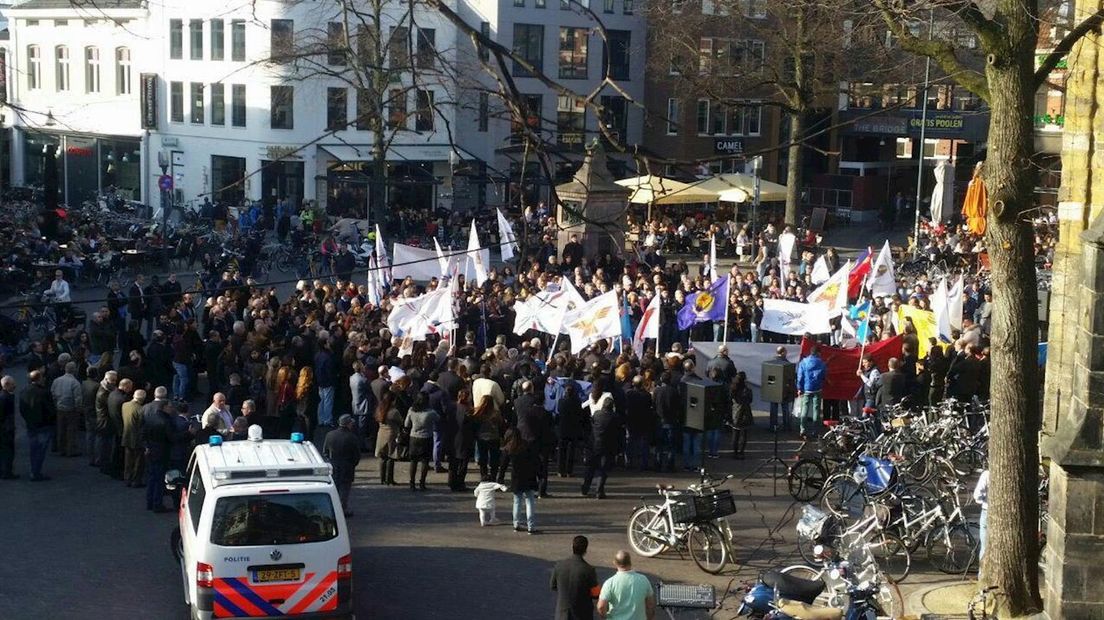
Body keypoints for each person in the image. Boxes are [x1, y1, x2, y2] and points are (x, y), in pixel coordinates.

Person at [582, 381, 620, 499]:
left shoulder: (596, 414)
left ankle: (585, 487)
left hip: (594, 442)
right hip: (607, 444)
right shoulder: (614, 417)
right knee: (602, 469)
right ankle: (599, 490)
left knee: (591, 467)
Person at [551, 535, 599, 620]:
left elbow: (553, 586)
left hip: (562, 615)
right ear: (585, 550)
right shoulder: (589, 569)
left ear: (572, 547)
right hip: (582, 615)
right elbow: (596, 593)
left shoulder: (559, 566)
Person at [20, 370, 57, 481]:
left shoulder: (24, 391)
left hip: (31, 425)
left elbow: (22, 409)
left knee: (33, 449)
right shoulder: (44, 392)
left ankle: (33, 470)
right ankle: (36, 472)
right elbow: (50, 409)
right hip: (43, 425)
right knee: (40, 450)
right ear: (39, 379)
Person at [597, 551, 655, 620]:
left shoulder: (609, 583)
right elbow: (650, 605)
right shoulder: (643, 580)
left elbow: (601, 606)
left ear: (615, 563)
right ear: (630, 562)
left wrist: (605, 617)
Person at [324, 414, 362, 518]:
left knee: (334, 487)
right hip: (347, 466)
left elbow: (325, 452)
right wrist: (352, 464)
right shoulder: (352, 437)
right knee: (345, 489)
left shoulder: (330, 434)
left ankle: (331, 508)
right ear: (348, 424)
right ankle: (342, 509)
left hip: (334, 465)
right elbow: (357, 455)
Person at [404, 392, 439, 490]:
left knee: (413, 461)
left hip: (414, 437)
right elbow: (438, 419)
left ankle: (412, 483)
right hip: (426, 437)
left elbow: (406, 424)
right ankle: (422, 483)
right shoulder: (430, 412)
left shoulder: (411, 410)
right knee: (425, 461)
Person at [50, 360, 83, 457]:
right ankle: (71, 450)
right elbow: (78, 398)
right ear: (74, 370)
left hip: (59, 408)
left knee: (61, 429)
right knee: (71, 430)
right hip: (71, 409)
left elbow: (52, 393)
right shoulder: (75, 383)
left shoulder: (57, 380)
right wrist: (79, 409)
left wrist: (56, 404)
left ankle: (62, 449)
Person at [795, 344, 827, 440]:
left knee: (804, 409)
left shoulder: (804, 362)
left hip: (806, 388)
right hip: (817, 388)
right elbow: (824, 375)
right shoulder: (821, 362)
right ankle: (815, 430)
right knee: (816, 410)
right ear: (818, 353)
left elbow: (800, 376)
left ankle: (802, 429)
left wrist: (799, 388)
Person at [121, 389, 147, 488]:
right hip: (137, 438)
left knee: (128, 460)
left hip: (127, 436)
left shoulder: (125, 405)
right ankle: (136, 481)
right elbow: (142, 425)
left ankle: (127, 478)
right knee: (138, 462)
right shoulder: (141, 409)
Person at [767, 347, 794, 431]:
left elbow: (770, 377)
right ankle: (786, 426)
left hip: (774, 388)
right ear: (783, 353)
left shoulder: (771, 363)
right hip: (784, 389)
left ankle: (773, 426)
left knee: (774, 408)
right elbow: (791, 377)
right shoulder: (787, 363)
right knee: (785, 408)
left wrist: (771, 387)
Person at [730, 372, 754, 459]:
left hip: (736, 413)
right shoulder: (747, 390)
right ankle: (741, 452)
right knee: (744, 435)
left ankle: (734, 452)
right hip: (746, 413)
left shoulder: (733, 389)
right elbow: (750, 400)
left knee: (735, 435)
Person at [0, 376, 19, 479]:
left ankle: (4, 471)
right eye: (12, 384)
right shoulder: (5, 398)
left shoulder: (4, 396)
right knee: (8, 451)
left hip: (5, 429)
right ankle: (7, 472)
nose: (15, 386)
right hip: (6, 430)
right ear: (6, 385)